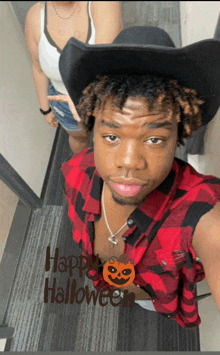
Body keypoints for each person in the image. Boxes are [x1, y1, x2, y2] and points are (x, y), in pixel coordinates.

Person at [59, 26, 220, 328]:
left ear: (179, 136)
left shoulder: (202, 216)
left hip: (152, 296)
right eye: (111, 136)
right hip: (104, 275)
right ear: (92, 130)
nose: (129, 163)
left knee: (145, 304)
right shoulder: (78, 171)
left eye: (154, 139)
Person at [25, 1, 123, 153]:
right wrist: (45, 108)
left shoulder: (102, 4)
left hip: (106, 97)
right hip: (63, 102)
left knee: (116, 141)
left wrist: (80, 96)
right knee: (79, 139)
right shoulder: (34, 16)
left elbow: (104, 64)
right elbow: (38, 68)